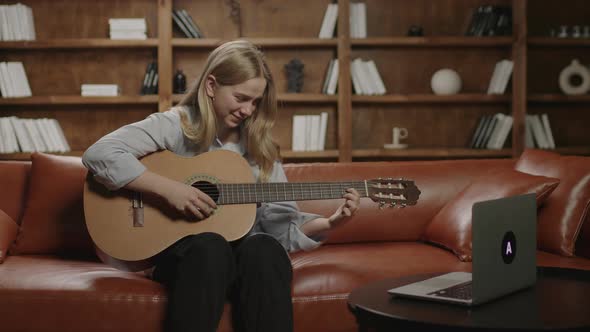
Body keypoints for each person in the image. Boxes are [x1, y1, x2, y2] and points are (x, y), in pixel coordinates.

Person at [82, 39, 360, 332]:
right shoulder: (177, 125)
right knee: (210, 245)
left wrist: (329, 223)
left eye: (256, 102)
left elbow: (278, 228)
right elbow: (99, 154)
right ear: (211, 86)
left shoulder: (259, 149)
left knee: (264, 247)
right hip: (183, 258)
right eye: (241, 98)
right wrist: (169, 190)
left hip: (243, 262)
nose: (248, 110)